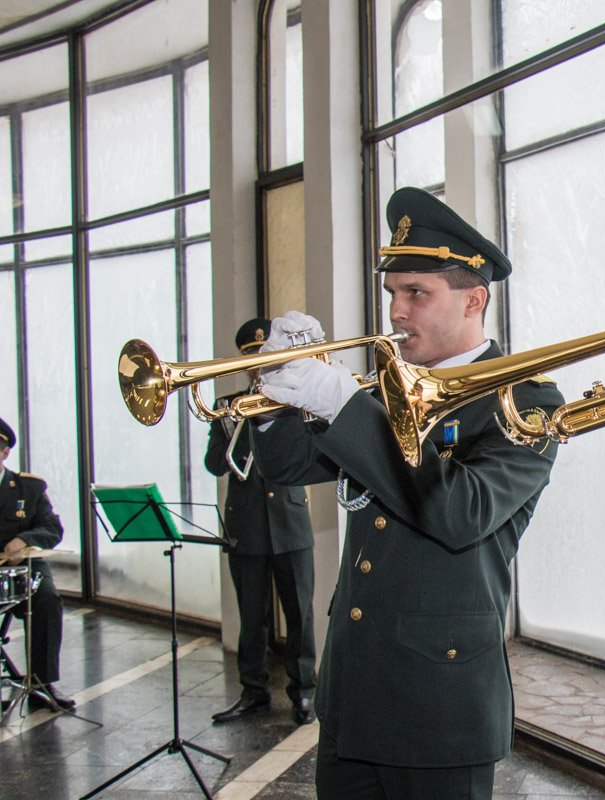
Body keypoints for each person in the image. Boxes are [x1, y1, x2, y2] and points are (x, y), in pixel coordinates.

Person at [250, 187, 565, 799]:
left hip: (438, 709)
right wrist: (274, 396)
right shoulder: (385, 393)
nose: (396, 312)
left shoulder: (524, 401)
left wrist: (342, 404)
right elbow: (288, 464)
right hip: (353, 695)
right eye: (393, 293)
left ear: (475, 299)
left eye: (417, 293)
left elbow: (460, 511)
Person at [206, 318, 318, 726]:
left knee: (300, 614)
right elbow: (213, 465)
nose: (258, 364)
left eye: (263, 354)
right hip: (247, 526)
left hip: (289, 521)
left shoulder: (296, 399)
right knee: (251, 617)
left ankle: (304, 691)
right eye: (251, 358)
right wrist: (230, 428)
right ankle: (252, 692)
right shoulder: (228, 404)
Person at [0, 416, 75, 711]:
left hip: (21, 571)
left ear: (5, 452)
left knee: (46, 600)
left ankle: (42, 684)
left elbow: (52, 529)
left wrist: (24, 540)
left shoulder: (27, 489)